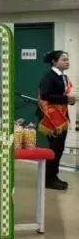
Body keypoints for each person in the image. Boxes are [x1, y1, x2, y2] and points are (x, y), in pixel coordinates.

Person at [37, 50, 74, 191]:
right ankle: (48, 179)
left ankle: (53, 176)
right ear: (54, 61)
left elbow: (59, 96)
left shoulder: (62, 77)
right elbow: (45, 96)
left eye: (67, 59)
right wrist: (66, 99)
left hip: (60, 116)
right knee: (55, 148)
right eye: (63, 59)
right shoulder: (49, 77)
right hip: (51, 118)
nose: (67, 62)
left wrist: (68, 100)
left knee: (59, 148)